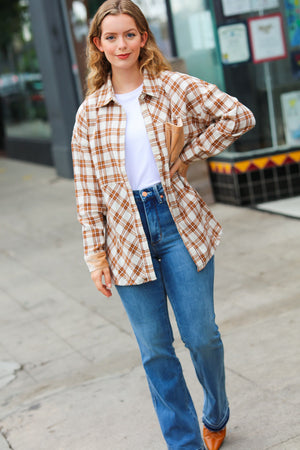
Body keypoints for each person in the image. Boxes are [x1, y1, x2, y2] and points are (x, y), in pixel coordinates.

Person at [71, 1, 255, 448]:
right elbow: (87, 193)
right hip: (125, 236)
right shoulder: (89, 115)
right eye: (111, 37)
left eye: (129, 34)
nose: (122, 44)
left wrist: (188, 152)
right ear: (98, 45)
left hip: (176, 225)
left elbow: (238, 115)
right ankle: (184, 442)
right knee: (155, 351)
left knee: (201, 336)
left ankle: (217, 411)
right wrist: (96, 255)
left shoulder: (172, 87)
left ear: (144, 37)